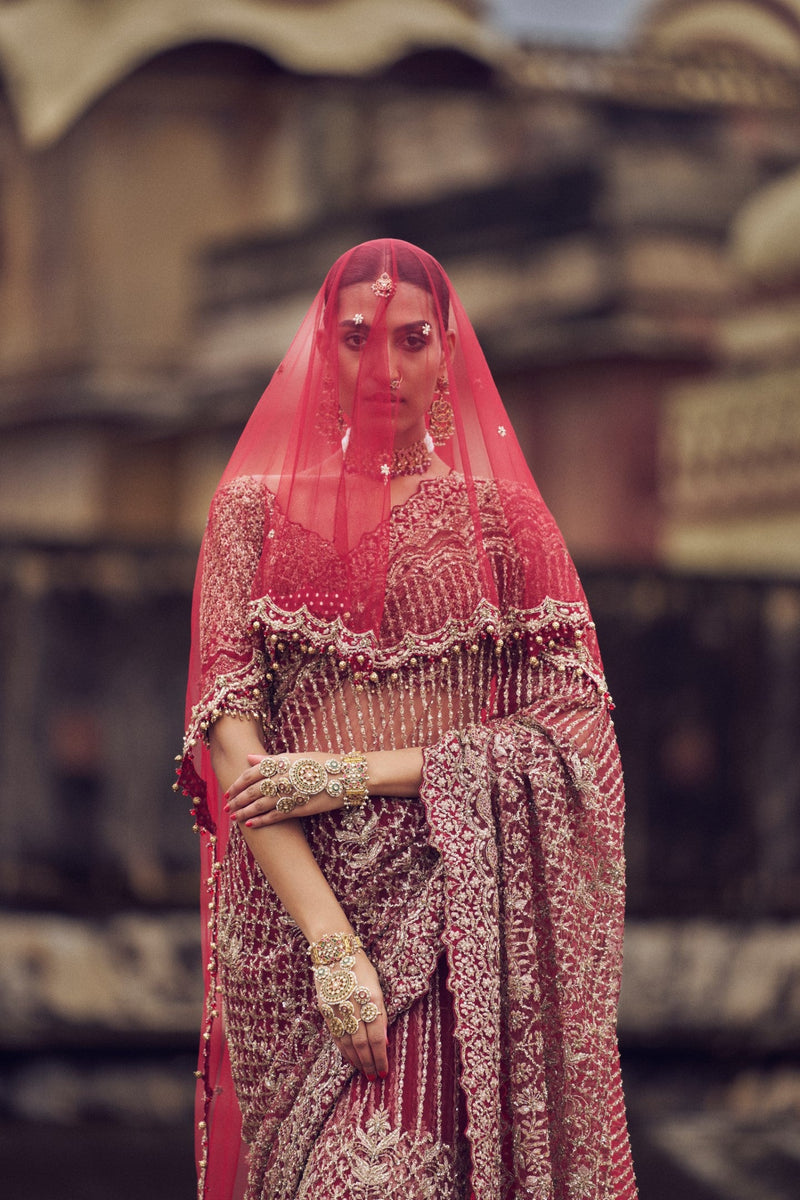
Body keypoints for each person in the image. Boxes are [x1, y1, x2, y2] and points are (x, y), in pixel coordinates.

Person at [176, 239, 638, 1200]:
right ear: (319, 350)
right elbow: (229, 731)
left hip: (454, 907)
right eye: (354, 340)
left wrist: (357, 772)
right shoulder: (249, 518)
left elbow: (579, 734)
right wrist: (331, 944)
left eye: (411, 339)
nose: (383, 370)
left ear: (450, 350)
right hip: (291, 924)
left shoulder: (506, 522)